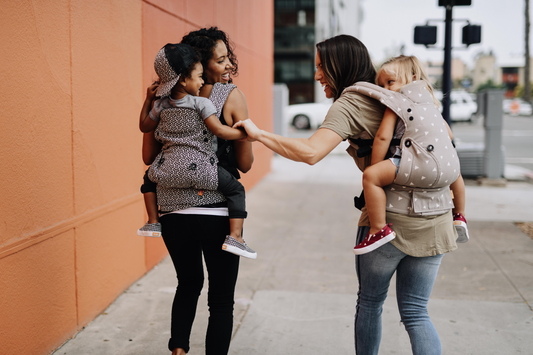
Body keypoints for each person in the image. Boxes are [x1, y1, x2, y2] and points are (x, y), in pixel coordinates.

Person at [234, 34, 457, 355]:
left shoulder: (352, 101)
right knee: (416, 313)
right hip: (435, 217)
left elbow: (311, 152)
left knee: (370, 303)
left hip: (387, 221)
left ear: (340, 65)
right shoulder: (401, 96)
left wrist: (259, 134)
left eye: (322, 67)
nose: (316, 75)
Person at [142, 27, 254, 355]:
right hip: (217, 210)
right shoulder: (230, 96)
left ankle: (177, 350)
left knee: (188, 285)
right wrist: (244, 133)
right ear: (200, 65)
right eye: (221, 60)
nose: (229, 65)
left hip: (173, 211)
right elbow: (245, 164)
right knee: (220, 299)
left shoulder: (162, 99)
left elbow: (149, 157)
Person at [137, 42, 256, 259]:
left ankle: (152, 221)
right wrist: (246, 134)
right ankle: (236, 237)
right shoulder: (203, 103)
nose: (202, 82)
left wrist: (148, 100)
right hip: (202, 173)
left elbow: (145, 132)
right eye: (199, 76)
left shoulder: (160, 104)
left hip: (167, 178)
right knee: (236, 190)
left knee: (147, 182)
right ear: (184, 78)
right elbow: (220, 132)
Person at [352, 55, 469, 255]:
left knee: (371, 178)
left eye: (390, 82)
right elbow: (448, 135)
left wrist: (375, 165)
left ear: (412, 79)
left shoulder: (396, 103)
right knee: (456, 175)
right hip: (445, 163)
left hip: (411, 162)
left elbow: (382, 138)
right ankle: (460, 215)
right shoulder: (431, 105)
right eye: (382, 85)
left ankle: (378, 229)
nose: (386, 89)